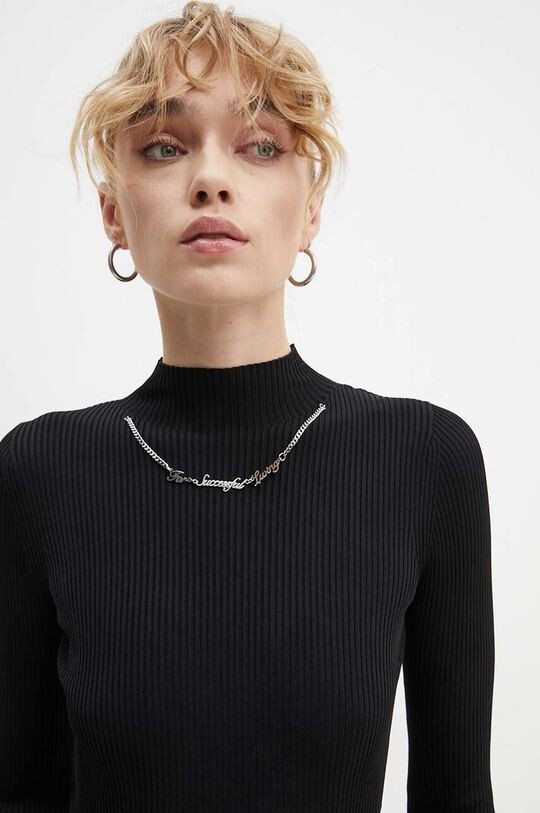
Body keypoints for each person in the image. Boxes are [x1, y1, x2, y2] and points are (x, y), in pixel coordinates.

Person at [0, 2, 496, 810]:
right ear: (114, 211)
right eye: (164, 147)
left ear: (311, 209)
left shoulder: (424, 458)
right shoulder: (37, 471)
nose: (210, 178)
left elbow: (458, 795)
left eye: (261, 145)